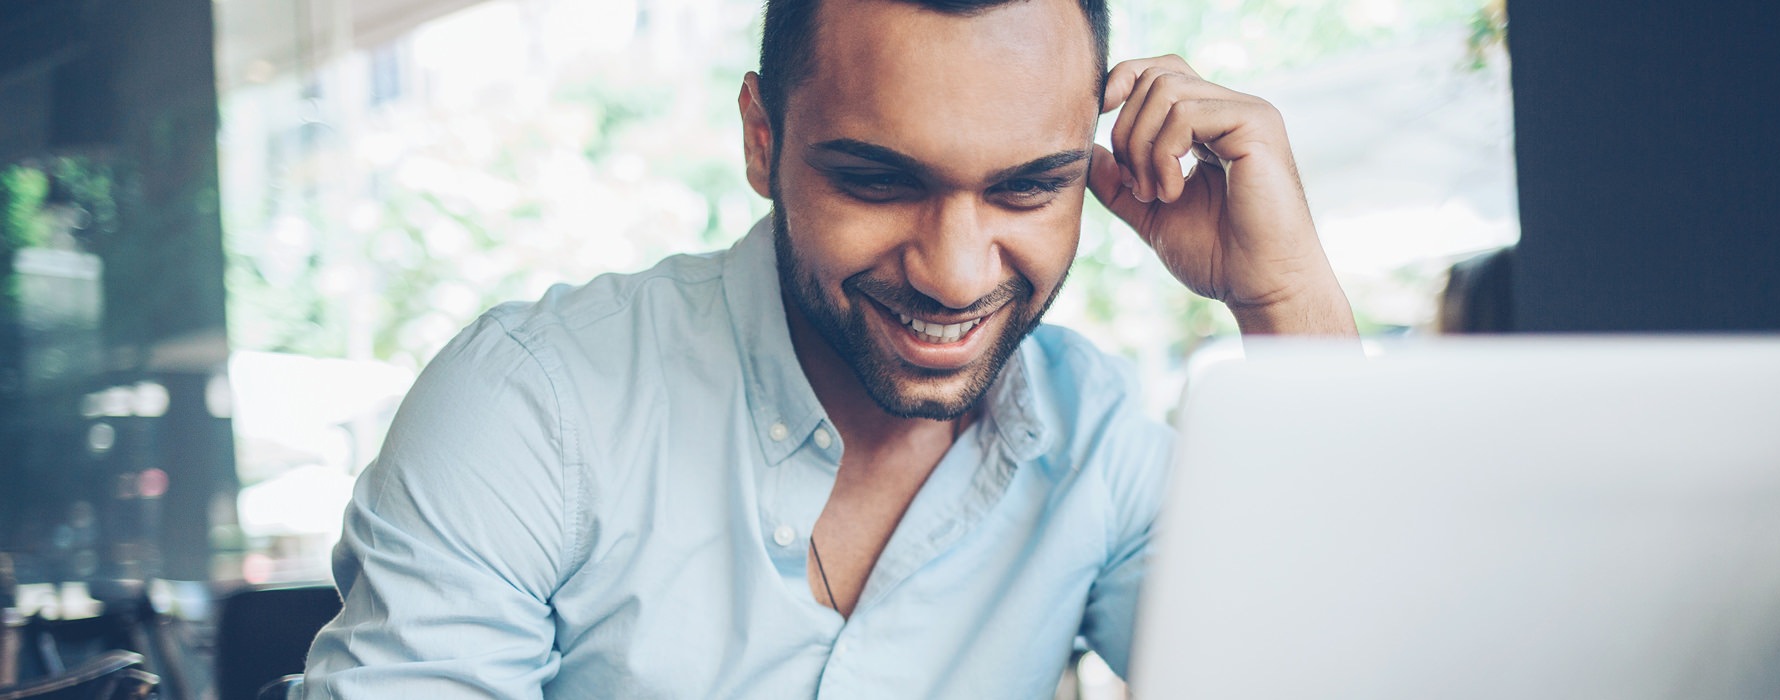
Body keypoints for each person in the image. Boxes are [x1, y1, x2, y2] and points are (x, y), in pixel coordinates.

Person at [300, 0, 1356, 696]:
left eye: (1028, 186)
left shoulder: (1102, 451)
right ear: (763, 139)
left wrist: (1285, 294)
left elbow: (1333, 674)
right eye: (880, 180)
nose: (954, 270)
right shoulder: (530, 412)